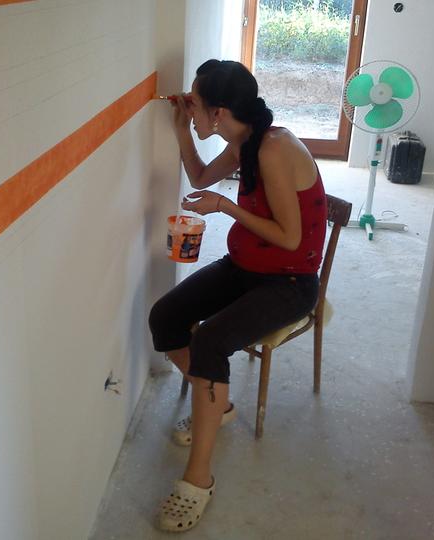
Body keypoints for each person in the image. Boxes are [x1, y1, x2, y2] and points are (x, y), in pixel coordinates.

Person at [148, 59, 327, 532]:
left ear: (219, 113)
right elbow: (200, 178)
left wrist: (226, 207)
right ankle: (218, 406)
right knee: (165, 316)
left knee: (209, 341)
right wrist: (182, 128)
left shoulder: (273, 148)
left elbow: (290, 238)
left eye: (196, 104)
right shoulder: (243, 140)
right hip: (246, 266)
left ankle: (198, 480)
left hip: (289, 281)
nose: (191, 108)